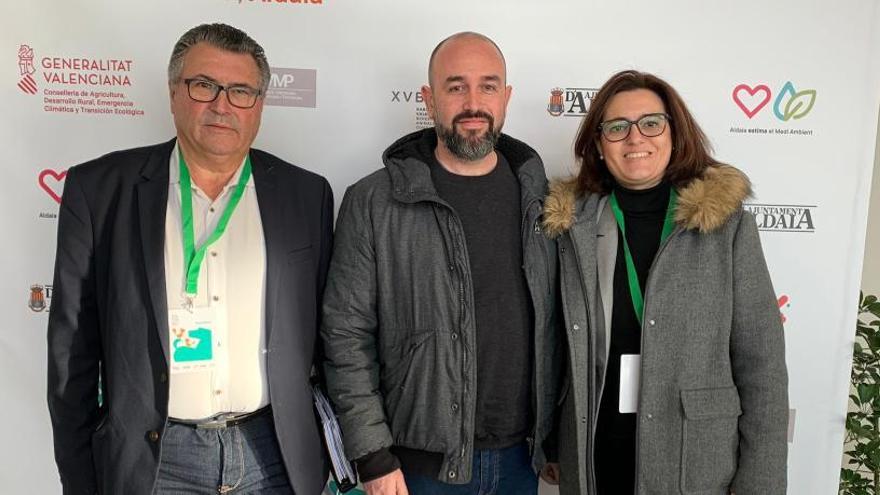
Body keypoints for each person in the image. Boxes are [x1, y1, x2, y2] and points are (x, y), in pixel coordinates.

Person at [47, 23, 332, 495]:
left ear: (259, 104)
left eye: (241, 91)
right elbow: (71, 354)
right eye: (204, 86)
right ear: (174, 92)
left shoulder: (307, 195)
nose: (222, 105)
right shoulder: (98, 191)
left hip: (274, 454)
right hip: (156, 460)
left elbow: (330, 337)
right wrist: (80, 478)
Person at [321, 32, 559, 495]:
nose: (473, 103)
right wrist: (371, 454)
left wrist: (559, 441)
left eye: (488, 86)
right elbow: (344, 334)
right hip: (415, 469)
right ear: (429, 100)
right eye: (455, 87)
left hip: (521, 461)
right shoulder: (374, 201)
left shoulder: (543, 200)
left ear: (506, 98)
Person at [541, 70, 788, 494]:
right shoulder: (571, 229)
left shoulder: (726, 228)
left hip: (695, 461)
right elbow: (552, 347)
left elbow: (762, 364)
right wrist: (551, 442)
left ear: (674, 133)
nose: (635, 138)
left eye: (651, 123)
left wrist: (760, 483)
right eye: (617, 128)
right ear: (599, 144)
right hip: (595, 455)